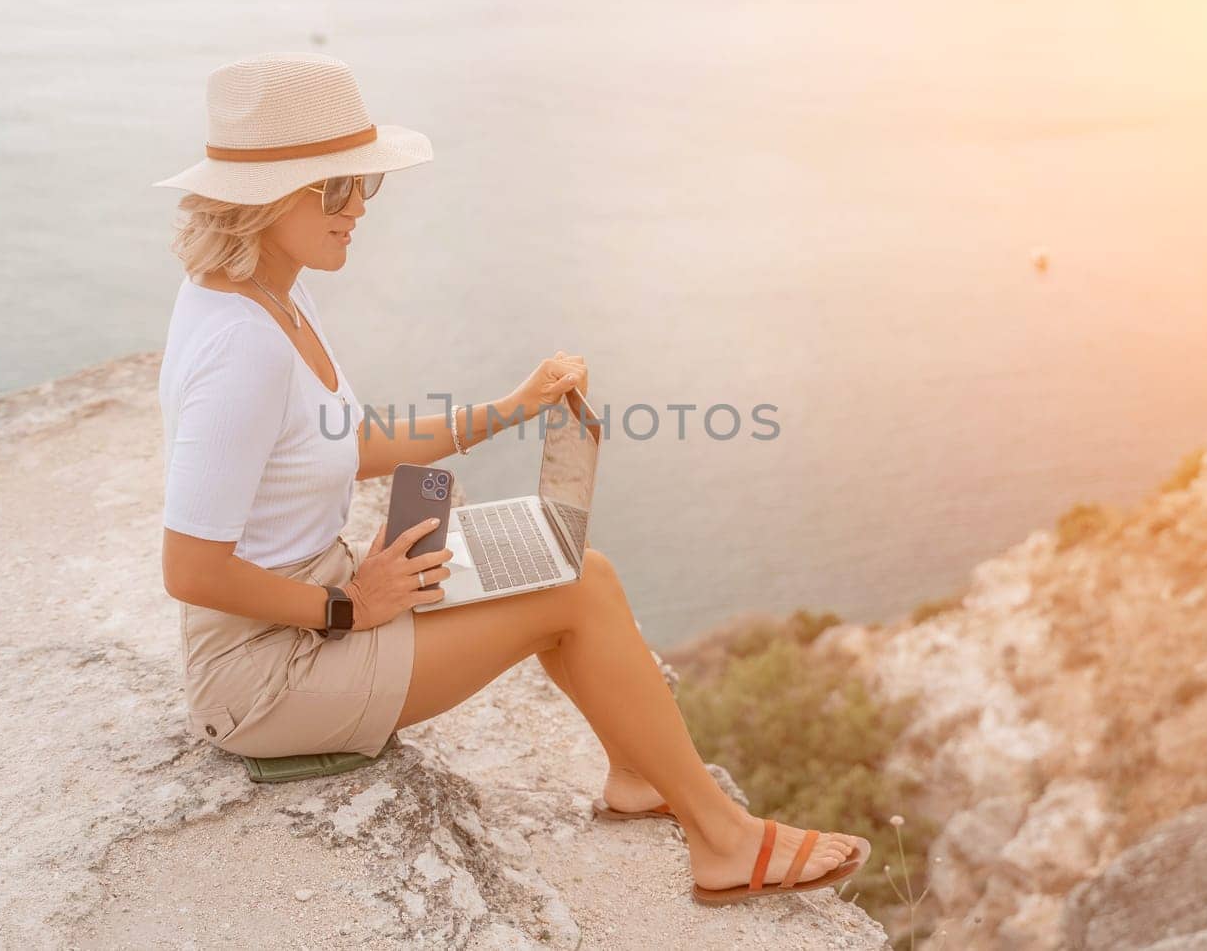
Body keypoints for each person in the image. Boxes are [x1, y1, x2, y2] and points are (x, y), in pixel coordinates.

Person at [152, 52, 870, 903]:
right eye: (341, 189)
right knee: (567, 595)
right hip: (266, 676)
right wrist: (349, 606)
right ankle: (724, 837)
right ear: (277, 197)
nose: (361, 210)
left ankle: (638, 775)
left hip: (316, 605)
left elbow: (339, 439)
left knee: (577, 566)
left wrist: (508, 406)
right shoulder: (241, 347)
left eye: (364, 188)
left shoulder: (270, 294)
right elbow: (190, 570)